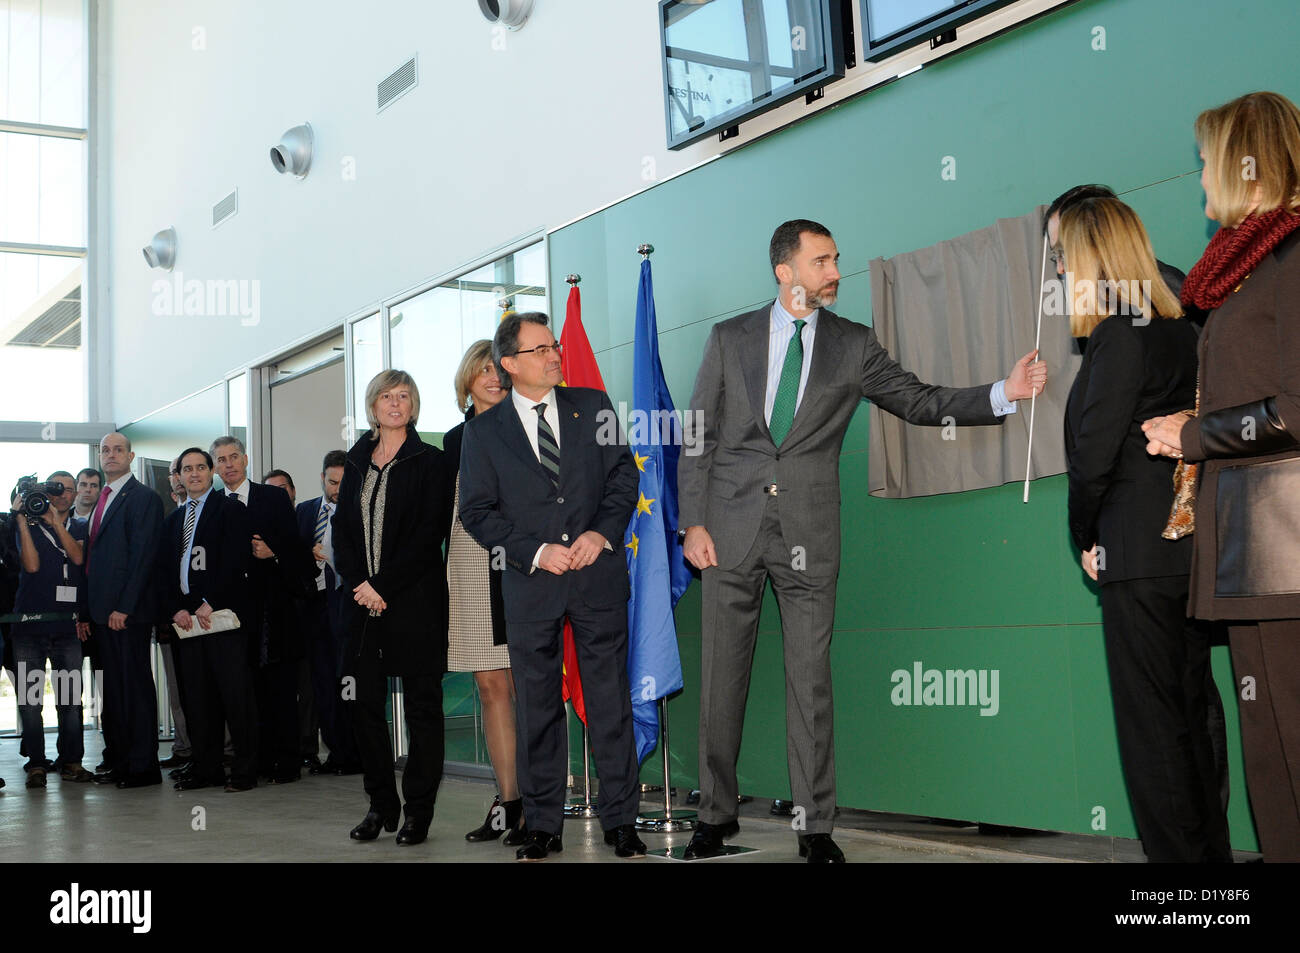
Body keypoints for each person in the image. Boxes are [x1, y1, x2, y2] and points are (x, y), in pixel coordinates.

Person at [677, 219, 1047, 862]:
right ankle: (714, 814)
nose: (834, 271)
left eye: (836, 259)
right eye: (821, 261)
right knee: (720, 682)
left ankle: (815, 828)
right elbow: (696, 436)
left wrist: (1002, 393)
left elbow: (920, 401)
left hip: (809, 536)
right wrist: (692, 523)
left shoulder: (853, 344)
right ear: (784, 272)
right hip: (728, 534)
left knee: (810, 685)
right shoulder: (728, 338)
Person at [1143, 90, 1300, 862]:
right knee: (1270, 759)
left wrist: (1192, 434)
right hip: (1251, 555)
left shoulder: (1294, 258)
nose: (1200, 175)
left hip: (1286, 551)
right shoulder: (1244, 271)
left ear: (1247, 163)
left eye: (1206, 161)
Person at [1060, 196, 1231, 862]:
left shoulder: (1118, 332)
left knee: (1154, 732)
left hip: (1134, 552)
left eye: (1061, 256)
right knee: (1192, 716)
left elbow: (1092, 456)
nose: (1058, 269)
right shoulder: (1180, 319)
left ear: (1088, 254)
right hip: (1189, 549)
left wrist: (1085, 536)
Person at [459, 312, 647, 861]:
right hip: (531, 585)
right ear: (510, 365)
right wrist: (535, 552)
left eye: (555, 346)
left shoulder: (594, 405)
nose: (553, 356)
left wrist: (600, 534)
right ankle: (542, 825)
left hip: (597, 577)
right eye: (539, 350)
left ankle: (621, 823)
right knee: (537, 708)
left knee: (609, 703)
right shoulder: (481, 432)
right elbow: (477, 511)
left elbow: (624, 476)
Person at [333, 370, 452, 846]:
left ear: (414, 406)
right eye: (387, 396)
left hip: (415, 603)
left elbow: (429, 535)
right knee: (363, 708)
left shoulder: (432, 461)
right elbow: (342, 532)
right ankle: (382, 805)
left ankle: (418, 812)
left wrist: (382, 584)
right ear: (373, 406)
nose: (396, 403)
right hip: (362, 606)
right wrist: (362, 585)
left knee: (424, 710)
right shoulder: (357, 460)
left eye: (404, 396)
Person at [442, 340, 524, 844]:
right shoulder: (453, 440)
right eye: (483, 369)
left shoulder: (530, 426)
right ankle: (508, 800)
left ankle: (537, 799)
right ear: (467, 377)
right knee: (492, 687)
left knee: (529, 687)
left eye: (500, 369)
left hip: (524, 560)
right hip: (472, 567)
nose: (493, 377)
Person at [211, 436, 314, 785]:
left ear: (246, 459)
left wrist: (275, 554)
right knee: (246, 693)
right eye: (221, 459)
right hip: (232, 617)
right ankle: (257, 761)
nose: (228, 464)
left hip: (274, 611)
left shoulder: (271, 497)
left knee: (280, 688)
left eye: (233, 457)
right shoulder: (213, 506)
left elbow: (296, 548)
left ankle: (286, 764)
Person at [164, 448, 259, 792]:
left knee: (235, 698)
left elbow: (237, 562)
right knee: (198, 700)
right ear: (179, 476)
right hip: (186, 624)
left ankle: (245, 772)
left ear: (211, 471)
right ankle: (207, 769)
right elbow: (165, 571)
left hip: (221, 619)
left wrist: (210, 601)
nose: (194, 474)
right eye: (186, 469)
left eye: (200, 467)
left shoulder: (230, 509)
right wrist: (176, 608)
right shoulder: (173, 520)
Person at [84, 432, 164, 788]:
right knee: (112, 692)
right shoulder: (100, 499)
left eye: (118, 450)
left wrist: (125, 608)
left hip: (125, 615)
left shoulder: (143, 497)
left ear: (131, 456)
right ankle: (120, 760)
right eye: (105, 450)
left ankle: (143, 767)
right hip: (102, 616)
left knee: (134, 689)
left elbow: (143, 557)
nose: (111, 455)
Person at [9, 471, 93, 786]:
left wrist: (56, 522)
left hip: (66, 629)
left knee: (70, 701)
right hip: (29, 629)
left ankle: (71, 761)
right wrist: (21, 519)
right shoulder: (26, 525)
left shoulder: (81, 527)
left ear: (73, 495)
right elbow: (31, 565)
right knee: (30, 703)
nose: (58, 495)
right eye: (52, 490)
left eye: (65, 490)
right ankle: (36, 765)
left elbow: (77, 556)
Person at [295, 450, 362, 775]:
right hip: (315, 607)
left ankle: (353, 754)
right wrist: (307, 556)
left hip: (348, 606)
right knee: (322, 683)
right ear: (322, 478)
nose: (337, 489)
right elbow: (291, 559)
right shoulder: (305, 512)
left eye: (343, 483)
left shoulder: (359, 512)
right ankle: (335, 752)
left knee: (348, 681)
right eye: (333, 482)